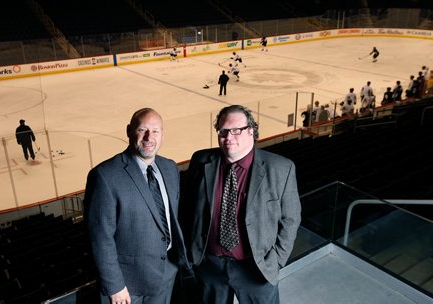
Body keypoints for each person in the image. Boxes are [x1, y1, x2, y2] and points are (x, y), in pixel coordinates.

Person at [181, 105, 301, 304]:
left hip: (256, 269)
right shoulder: (200, 160)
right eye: (223, 131)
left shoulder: (281, 168)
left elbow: (291, 219)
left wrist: (276, 260)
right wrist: (192, 253)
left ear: (251, 131)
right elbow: (187, 208)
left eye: (237, 130)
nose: (229, 137)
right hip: (210, 266)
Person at [84, 108, 189, 304]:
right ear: (129, 131)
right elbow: (100, 237)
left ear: (162, 134)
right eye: (142, 130)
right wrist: (114, 285)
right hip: (128, 285)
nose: (149, 137)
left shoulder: (170, 168)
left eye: (156, 131)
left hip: (166, 273)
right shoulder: (105, 176)